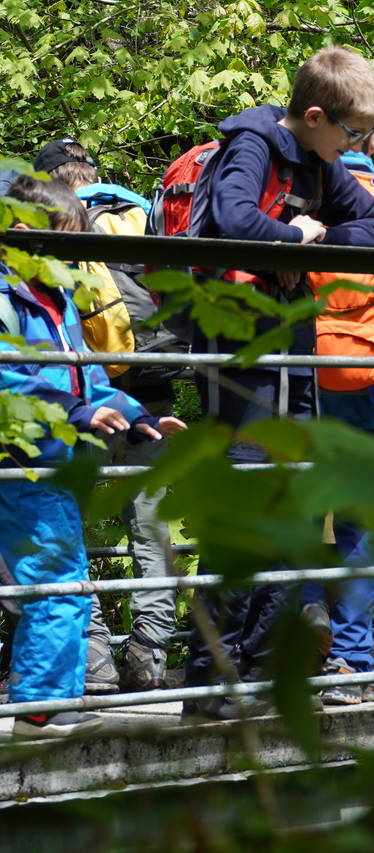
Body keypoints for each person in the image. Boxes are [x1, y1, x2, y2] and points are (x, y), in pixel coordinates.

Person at [181, 44, 374, 719]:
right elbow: (232, 219)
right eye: (353, 134)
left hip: (292, 350)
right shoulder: (253, 144)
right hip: (241, 346)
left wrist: (310, 239)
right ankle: (210, 678)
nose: (358, 147)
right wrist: (291, 234)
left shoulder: (321, 162)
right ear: (315, 116)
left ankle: (259, 668)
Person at [0, 177, 185, 738]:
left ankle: (52, 700)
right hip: (21, 462)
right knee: (56, 581)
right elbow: (9, 379)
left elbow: (90, 377)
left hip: (54, 461)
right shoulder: (8, 299)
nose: (71, 260)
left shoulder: (56, 302)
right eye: (61, 245)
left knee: (66, 580)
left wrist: (138, 416)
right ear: (21, 234)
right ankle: (40, 707)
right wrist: (78, 412)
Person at [35, 137, 176, 694]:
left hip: (84, 399)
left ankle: (92, 655)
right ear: (92, 170)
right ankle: (151, 653)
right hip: (152, 391)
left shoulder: (54, 228)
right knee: (151, 523)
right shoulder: (139, 210)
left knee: (68, 522)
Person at [301, 126, 374, 701]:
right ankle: (353, 659)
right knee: (356, 526)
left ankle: (303, 622)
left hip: (301, 381)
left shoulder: (294, 194)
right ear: (373, 136)